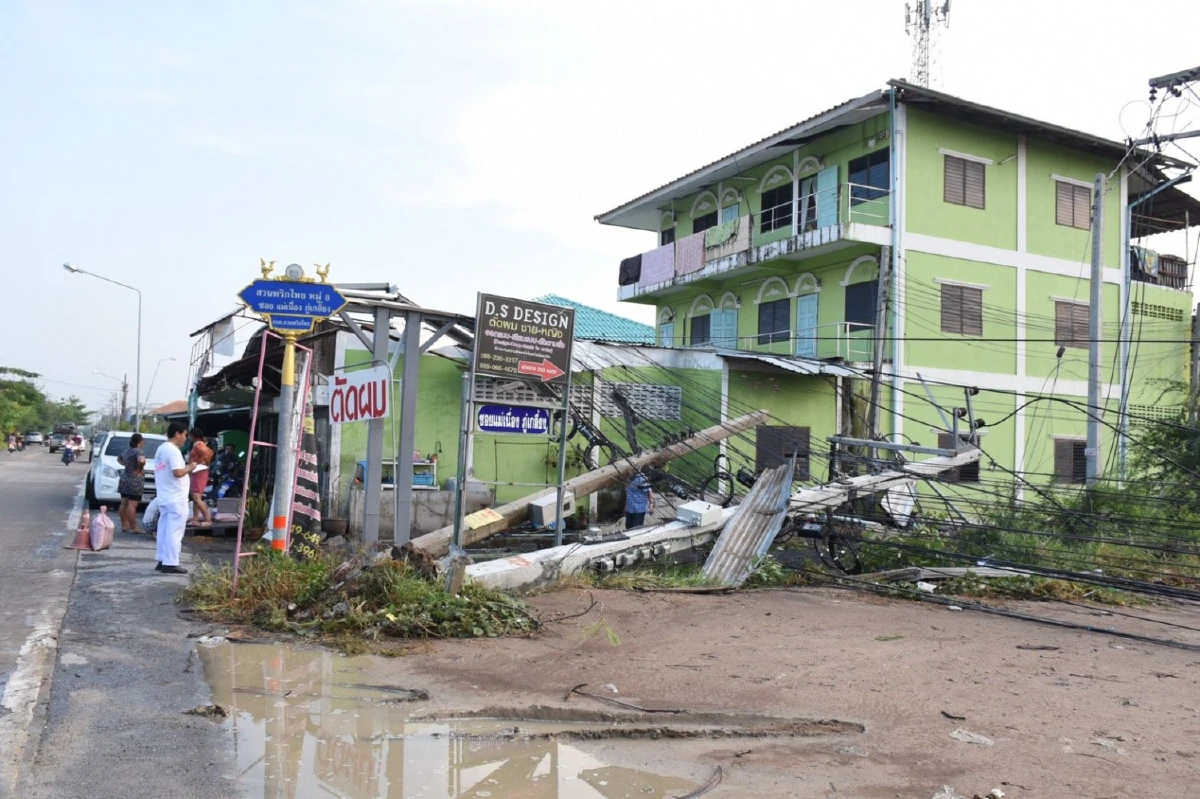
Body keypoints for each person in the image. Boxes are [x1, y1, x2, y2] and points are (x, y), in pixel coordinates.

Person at [154, 422, 200, 574]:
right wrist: (191, 467)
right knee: (174, 531)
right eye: (185, 435)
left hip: (165, 496)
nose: (185, 438)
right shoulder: (173, 451)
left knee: (164, 529)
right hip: (176, 497)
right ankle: (171, 562)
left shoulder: (161, 449)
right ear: (177, 434)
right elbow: (178, 472)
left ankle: (162, 559)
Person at [116, 433, 146, 533]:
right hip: (135, 480)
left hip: (125, 478)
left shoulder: (127, 451)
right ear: (140, 441)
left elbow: (119, 459)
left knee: (123, 503)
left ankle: (125, 525)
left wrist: (127, 465)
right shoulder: (138, 451)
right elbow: (141, 461)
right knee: (132, 504)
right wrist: (139, 469)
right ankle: (133, 527)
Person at [187, 428, 214, 526]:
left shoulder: (199, 445)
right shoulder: (198, 445)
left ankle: (208, 519)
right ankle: (195, 519)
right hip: (197, 472)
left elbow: (208, 453)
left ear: (193, 436)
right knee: (195, 498)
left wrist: (203, 462)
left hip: (199, 472)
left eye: (190, 435)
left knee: (196, 497)